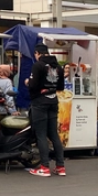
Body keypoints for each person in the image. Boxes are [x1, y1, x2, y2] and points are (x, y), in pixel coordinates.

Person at [25, 43, 65, 177]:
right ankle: (60, 167)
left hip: (39, 102)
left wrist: (27, 82)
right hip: (53, 101)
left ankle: (44, 167)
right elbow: (61, 86)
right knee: (53, 134)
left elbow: (33, 84)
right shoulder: (58, 66)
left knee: (41, 135)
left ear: (37, 53)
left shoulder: (38, 65)